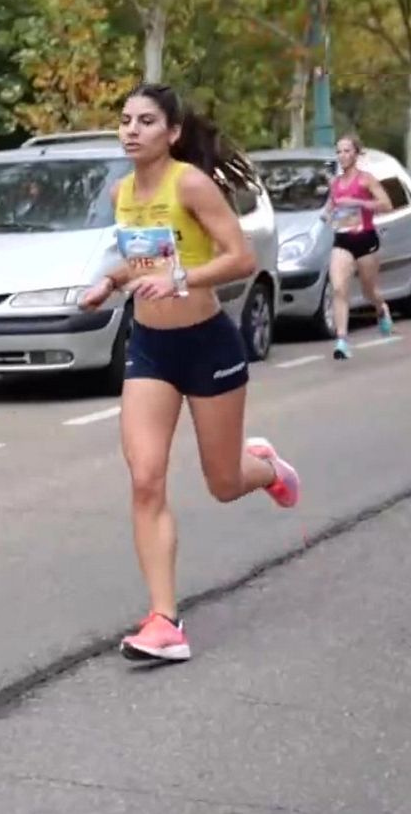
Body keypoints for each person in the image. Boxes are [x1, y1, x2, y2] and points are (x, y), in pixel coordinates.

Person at [79, 83, 302, 662]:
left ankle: (265, 468)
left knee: (223, 483)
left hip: (207, 344)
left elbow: (240, 257)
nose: (131, 130)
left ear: (172, 133)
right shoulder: (122, 192)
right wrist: (112, 282)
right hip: (150, 347)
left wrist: (180, 280)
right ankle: (164, 620)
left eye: (146, 121)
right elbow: (144, 259)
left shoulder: (191, 184)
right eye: (125, 119)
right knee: (145, 478)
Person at [324, 135, 396, 359]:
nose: (342, 156)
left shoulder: (366, 180)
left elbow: (387, 205)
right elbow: (332, 205)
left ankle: (381, 308)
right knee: (338, 288)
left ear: (356, 154)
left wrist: (359, 203)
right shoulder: (335, 183)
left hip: (365, 239)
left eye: (347, 151)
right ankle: (342, 341)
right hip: (342, 240)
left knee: (368, 290)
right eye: (339, 151)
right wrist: (327, 215)